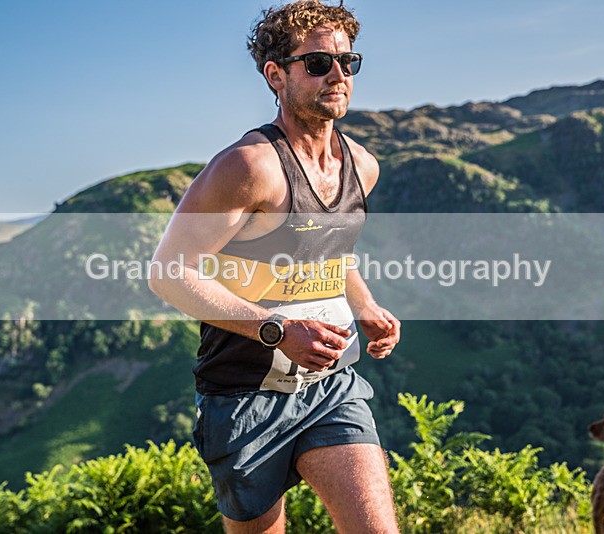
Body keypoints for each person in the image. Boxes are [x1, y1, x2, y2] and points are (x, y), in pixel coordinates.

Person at [148, 1, 401, 532]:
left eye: (347, 62)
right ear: (276, 74)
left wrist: (367, 305)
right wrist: (278, 329)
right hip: (242, 396)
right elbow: (169, 272)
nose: (338, 75)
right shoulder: (249, 167)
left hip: (330, 386)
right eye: (317, 63)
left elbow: (331, 253)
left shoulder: (363, 166)